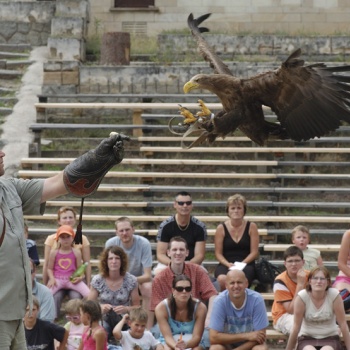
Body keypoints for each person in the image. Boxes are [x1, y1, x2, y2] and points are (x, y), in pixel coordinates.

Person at [0, 132, 127, 350]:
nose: (2, 153)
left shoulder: (9, 188)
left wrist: (95, 159)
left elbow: (58, 183)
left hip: (15, 311)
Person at [151, 236, 217, 346]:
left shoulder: (197, 271)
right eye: (174, 250)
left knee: (207, 336)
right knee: (156, 336)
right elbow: (157, 307)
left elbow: (212, 294)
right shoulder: (159, 278)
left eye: (181, 250)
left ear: (187, 253)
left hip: (194, 319)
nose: (178, 253)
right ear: (168, 252)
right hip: (170, 322)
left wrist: (209, 318)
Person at [43, 206, 92, 318]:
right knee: (52, 296)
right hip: (57, 278)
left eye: (71, 217)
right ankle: (50, 321)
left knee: (77, 296)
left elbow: (85, 264)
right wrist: (47, 282)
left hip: (74, 277)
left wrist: (86, 281)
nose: (68, 220)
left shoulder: (81, 240)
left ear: (75, 220)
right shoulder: (51, 240)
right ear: (59, 220)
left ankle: (80, 320)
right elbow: (47, 265)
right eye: (64, 217)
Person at [105, 216, 153, 329]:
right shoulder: (111, 244)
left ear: (133, 229)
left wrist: (129, 281)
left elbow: (147, 275)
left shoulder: (143, 243)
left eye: (127, 230)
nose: (124, 233)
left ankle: (147, 327)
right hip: (118, 278)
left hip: (138, 278)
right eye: (121, 231)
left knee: (148, 287)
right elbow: (107, 269)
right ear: (116, 232)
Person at [286, 266, 350, 350]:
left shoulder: (334, 295)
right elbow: (296, 327)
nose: (318, 281)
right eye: (315, 278)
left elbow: (343, 324)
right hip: (307, 337)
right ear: (309, 281)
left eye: (322, 279)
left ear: (327, 282)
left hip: (330, 337)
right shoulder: (302, 297)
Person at [88, 245, 140, 342]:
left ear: (122, 261)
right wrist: (100, 307)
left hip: (124, 319)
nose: (114, 261)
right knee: (101, 334)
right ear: (106, 261)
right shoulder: (98, 280)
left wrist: (126, 309)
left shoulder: (131, 280)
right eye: (110, 258)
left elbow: (137, 306)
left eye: (117, 258)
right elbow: (89, 305)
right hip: (103, 319)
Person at [209, 269, 269, 350]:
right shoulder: (219, 301)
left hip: (250, 345)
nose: (236, 286)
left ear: (246, 283)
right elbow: (213, 337)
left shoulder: (256, 300)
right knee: (215, 348)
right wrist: (246, 335)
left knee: (261, 348)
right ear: (226, 285)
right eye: (232, 283)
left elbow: (260, 336)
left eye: (239, 282)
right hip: (227, 345)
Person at [154, 191, 207, 274]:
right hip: (169, 262)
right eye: (181, 203)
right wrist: (174, 265)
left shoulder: (200, 227)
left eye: (188, 203)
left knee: (203, 274)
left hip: (191, 263)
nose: (185, 206)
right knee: (158, 273)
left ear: (192, 205)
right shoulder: (165, 226)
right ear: (175, 205)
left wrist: (186, 266)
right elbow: (160, 254)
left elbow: (200, 256)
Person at [214, 194, 259, 291]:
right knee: (222, 279)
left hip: (246, 263)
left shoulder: (252, 227)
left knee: (242, 280)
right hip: (226, 263)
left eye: (239, 208)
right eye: (233, 208)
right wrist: (228, 264)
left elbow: (254, 252)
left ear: (244, 210)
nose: (236, 211)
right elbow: (218, 253)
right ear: (228, 211)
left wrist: (242, 264)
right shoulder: (221, 228)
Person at [155, 274, 207, 350]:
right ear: (173, 291)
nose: (184, 291)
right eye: (180, 289)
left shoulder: (200, 307)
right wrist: (176, 346)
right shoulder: (161, 308)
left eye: (188, 289)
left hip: (192, 342)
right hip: (169, 341)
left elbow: (197, 337)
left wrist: (185, 345)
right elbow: (167, 336)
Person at [272, 245, 309, 335]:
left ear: (303, 262)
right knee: (301, 329)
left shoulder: (311, 276)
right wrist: (300, 285)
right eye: (290, 261)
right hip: (284, 316)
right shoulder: (280, 281)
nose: (293, 264)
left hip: (307, 312)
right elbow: (291, 310)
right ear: (285, 264)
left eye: (297, 260)